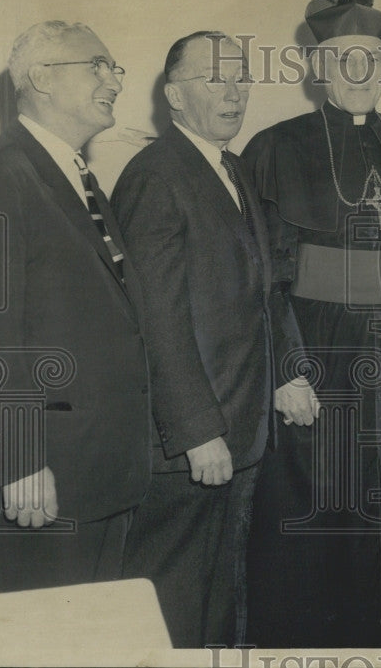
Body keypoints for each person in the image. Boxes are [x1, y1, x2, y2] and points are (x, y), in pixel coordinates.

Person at [240, 0, 381, 647]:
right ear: (317, 67)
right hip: (315, 348)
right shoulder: (272, 149)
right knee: (313, 507)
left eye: (372, 59)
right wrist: (284, 366)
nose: (360, 70)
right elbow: (259, 278)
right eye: (344, 60)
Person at [109, 32, 314, 648]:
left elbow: (260, 291)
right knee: (172, 600)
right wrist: (198, 430)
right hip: (192, 440)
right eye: (214, 78)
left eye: (241, 76)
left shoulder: (226, 166)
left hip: (239, 425)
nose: (234, 91)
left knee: (219, 593)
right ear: (174, 94)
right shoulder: (156, 176)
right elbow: (158, 319)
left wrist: (286, 371)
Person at [0, 21, 151, 595]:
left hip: (95, 478)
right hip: (36, 483)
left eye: (115, 68)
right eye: (98, 65)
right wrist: (17, 458)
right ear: (41, 77)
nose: (114, 79)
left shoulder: (73, 174)